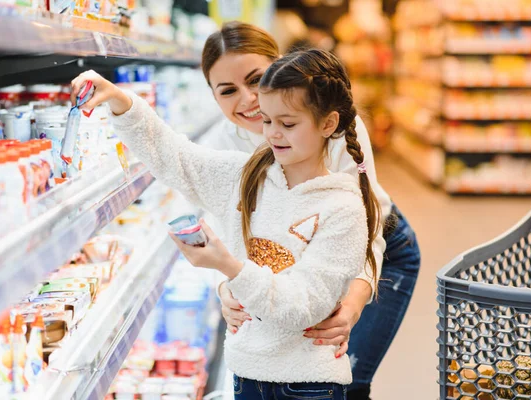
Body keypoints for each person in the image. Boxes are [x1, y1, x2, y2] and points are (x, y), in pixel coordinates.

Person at [71, 48, 381, 399]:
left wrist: (230, 268)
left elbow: (301, 307)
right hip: (246, 373)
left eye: (288, 123)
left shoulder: (343, 208)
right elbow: (174, 156)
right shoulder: (246, 176)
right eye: (266, 120)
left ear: (328, 124)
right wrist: (121, 101)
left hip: (307, 384)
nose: (273, 134)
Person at [199, 22, 421, 400]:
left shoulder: (329, 122)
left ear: (279, 67)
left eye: (256, 79)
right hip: (294, 258)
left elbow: (365, 229)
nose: (249, 98)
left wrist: (351, 305)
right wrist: (225, 289)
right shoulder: (222, 143)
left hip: (376, 250)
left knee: (344, 375)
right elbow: (219, 231)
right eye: (227, 91)